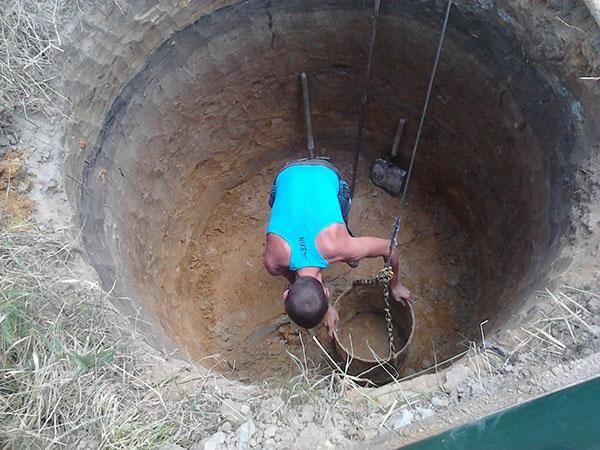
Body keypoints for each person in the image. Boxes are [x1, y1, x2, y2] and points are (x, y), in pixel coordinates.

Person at [264, 158, 410, 337]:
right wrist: (325, 308)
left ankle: (341, 223)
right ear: (285, 295)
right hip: (287, 174)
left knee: (349, 246)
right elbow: (390, 249)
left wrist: (394, 284)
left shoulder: (341, 246)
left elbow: (390, 248)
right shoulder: (273, 260)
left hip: (324, 172)